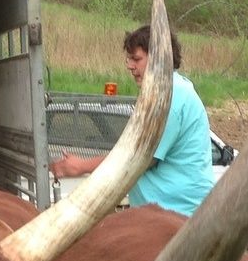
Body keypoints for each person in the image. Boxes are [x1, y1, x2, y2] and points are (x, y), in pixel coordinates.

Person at [49, 23, 215, 217]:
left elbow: (138, 157)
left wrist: (80, 166)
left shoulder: (171, 97)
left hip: (178, 216)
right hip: (161, 213)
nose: (129, 66)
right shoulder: (160, 93)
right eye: (129, 59)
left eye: (136, 59)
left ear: (159, 59)